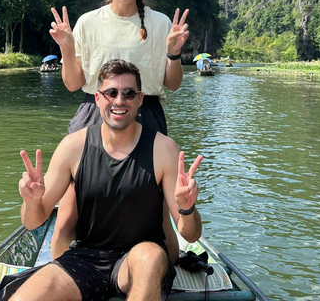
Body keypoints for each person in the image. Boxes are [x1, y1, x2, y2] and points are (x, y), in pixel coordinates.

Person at [13, 59, 203, 301]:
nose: (119, 101)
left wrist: (187, 209)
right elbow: (33, 222)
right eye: (111, 92)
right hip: (85, 259)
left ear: (141, 99)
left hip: (139, 260)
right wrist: (31, 201)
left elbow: (191, 235)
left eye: (129, 93)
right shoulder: (73, 147)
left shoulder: (163, 149)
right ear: (98, 98)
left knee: (150, 256)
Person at [48, 0, 190, 260]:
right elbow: (73, 84)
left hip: (146, 110)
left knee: (156, 206)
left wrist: (175, 54)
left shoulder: (160, 22)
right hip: (93, 111)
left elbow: (173, 83)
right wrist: (67, 48)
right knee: (71, 206)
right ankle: (60, 271)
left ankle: (165, 271)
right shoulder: (88, 22)